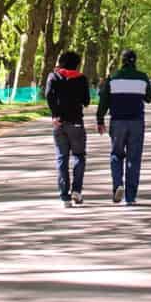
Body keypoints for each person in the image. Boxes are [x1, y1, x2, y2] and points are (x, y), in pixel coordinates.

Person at [97, 48, 151, 204]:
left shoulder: (113, 78)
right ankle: (131, 196)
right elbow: (147, 98)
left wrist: (100, 120)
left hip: (117, 121)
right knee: (134, 159)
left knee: (116, 154)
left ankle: (117, 185)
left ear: (122, 61)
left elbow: (104, 101)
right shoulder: (142, 78)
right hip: (136, 122)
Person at [44, 49, 93, 206]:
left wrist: (54, 114)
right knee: (79, 156)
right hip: (76, 122)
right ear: (77, 64)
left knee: (62, 158)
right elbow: (86, 101)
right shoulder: (81, 78)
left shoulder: (53, 76)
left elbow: (48, 95)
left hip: (59, 123)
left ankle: (64, 196)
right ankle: (77, 191)